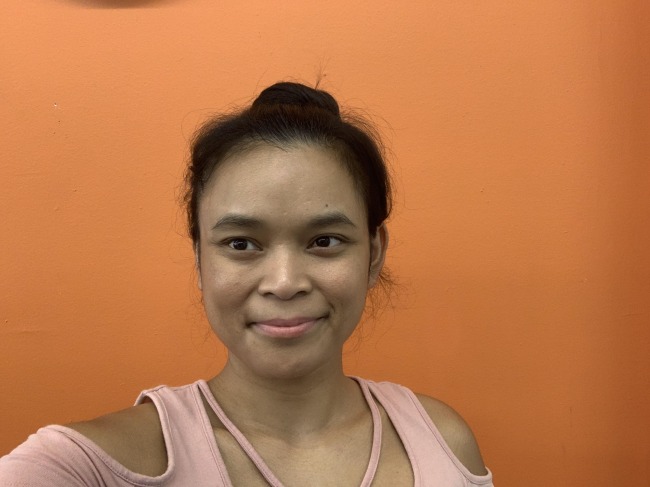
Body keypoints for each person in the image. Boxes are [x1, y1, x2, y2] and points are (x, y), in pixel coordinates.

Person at [0, 82, 493, 486]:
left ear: (374, 253)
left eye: (324, 241)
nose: (284, 283)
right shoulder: (91, 466)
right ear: (199, 259)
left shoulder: (443, 443)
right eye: (241, 244)